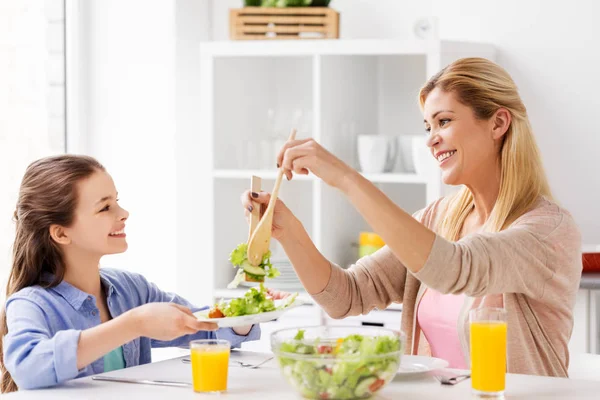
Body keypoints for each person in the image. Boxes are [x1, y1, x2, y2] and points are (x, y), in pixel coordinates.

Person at [243, 57, 581, 377]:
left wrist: (347, 179)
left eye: (444, 121)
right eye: (428, 126)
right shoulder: (438, 217)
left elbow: (454, 269)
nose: (432, 139)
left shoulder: (547, 230)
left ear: (498, 123)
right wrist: (287, 231)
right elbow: (346, 296)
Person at [1, 155, 259, 392]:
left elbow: (207, 331)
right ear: (61, 233)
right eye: (105, 208)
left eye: (117, 202)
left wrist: (250, 310)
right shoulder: (32, 304)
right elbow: (28, 368)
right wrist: (133, 324)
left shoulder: (132, 289)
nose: (123, 214)